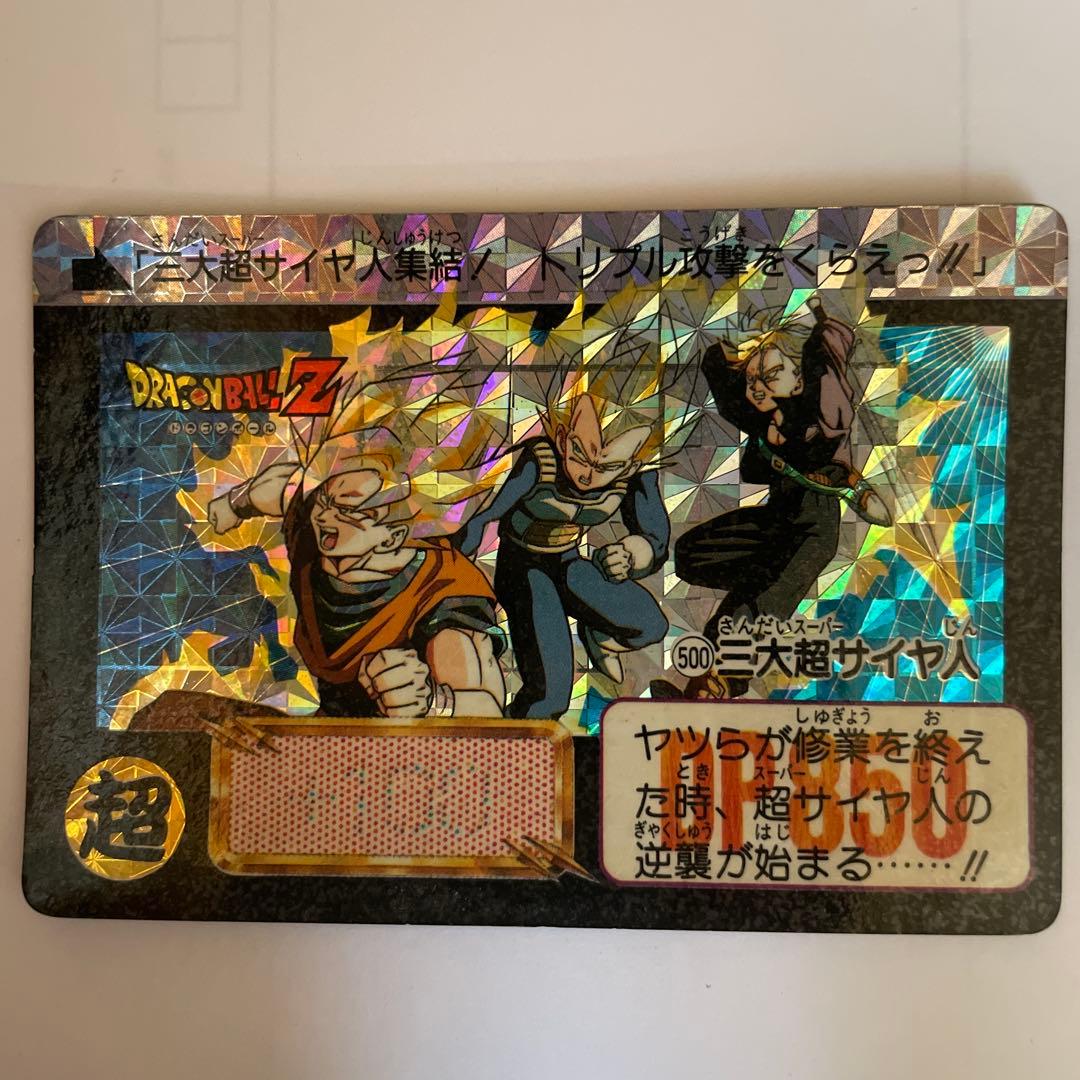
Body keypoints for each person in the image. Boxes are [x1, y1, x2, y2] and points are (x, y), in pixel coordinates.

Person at [652, 299, 889, 701]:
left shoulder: (821, 422)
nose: (757, 387)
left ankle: (714, 686)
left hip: (812, 532)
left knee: (760, 603)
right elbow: (725, 387)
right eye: (752, 379)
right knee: (691, 556)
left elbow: (828, 368)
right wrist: (729, 348)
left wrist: (823, 325)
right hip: (776, 522)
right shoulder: (760, 417)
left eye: (771, 375)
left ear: (799, 382)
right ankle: (716, 673)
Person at [207, 427, 506, 718]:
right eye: (326, 500)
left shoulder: (444, 594)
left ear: (392, 537)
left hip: (405, 742)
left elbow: (488, 709)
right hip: (328, 734)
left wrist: (432, 702)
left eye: (348, 511)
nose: (325, 517)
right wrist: (235, 503)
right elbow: (283, 487)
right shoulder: (314, 533)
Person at [454, 393, 669, 719]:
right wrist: (456, 564)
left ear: (630, 465)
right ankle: (517, 743)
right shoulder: (539, 460)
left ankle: (599, 636)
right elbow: (485, 514)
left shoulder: (634, 477)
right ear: (563, 438)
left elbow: (655, 537)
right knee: (549, 697)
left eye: (606, 467)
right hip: (523, 570)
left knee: (649, 625)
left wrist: (632, 553)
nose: (588, 475)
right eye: (580, 454)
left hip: (567, 562)